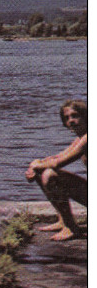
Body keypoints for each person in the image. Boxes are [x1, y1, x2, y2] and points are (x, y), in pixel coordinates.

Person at [26, 99, 87, 241]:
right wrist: (35, 164)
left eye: (75, 115)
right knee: (43, 171)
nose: (71, 121)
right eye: (67, 118)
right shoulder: (80, 138)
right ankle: (63, 220)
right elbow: (56, 157)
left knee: (50, 174)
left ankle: (71, 228)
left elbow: (59, 163)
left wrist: (37, 166)